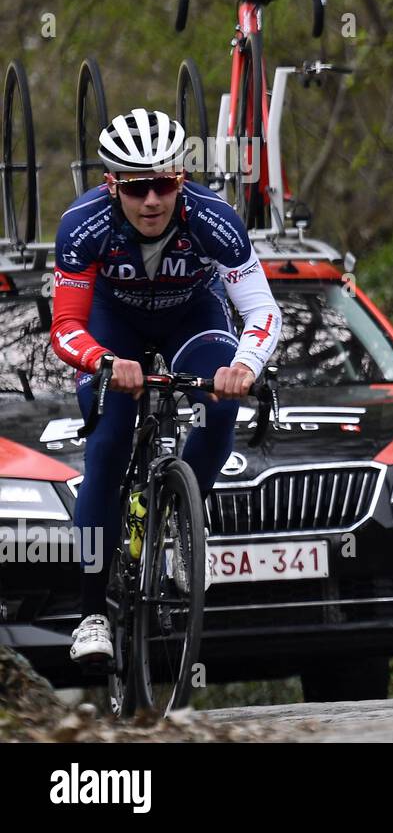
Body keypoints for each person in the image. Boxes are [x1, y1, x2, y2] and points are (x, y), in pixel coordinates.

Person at [53, 108, 282, 665]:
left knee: (219, 405)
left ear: (182, 177)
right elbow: (65, 328)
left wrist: (245, 366)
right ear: (112, 186)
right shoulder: (82, 224)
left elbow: (261, 310)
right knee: (106, 446)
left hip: (192, 318)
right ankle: (89, 613)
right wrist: (105, 360)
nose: (152, 201)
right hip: (113, 327)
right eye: (136, 188)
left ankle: (183, 519)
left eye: (164, 184)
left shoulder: (214, 218)